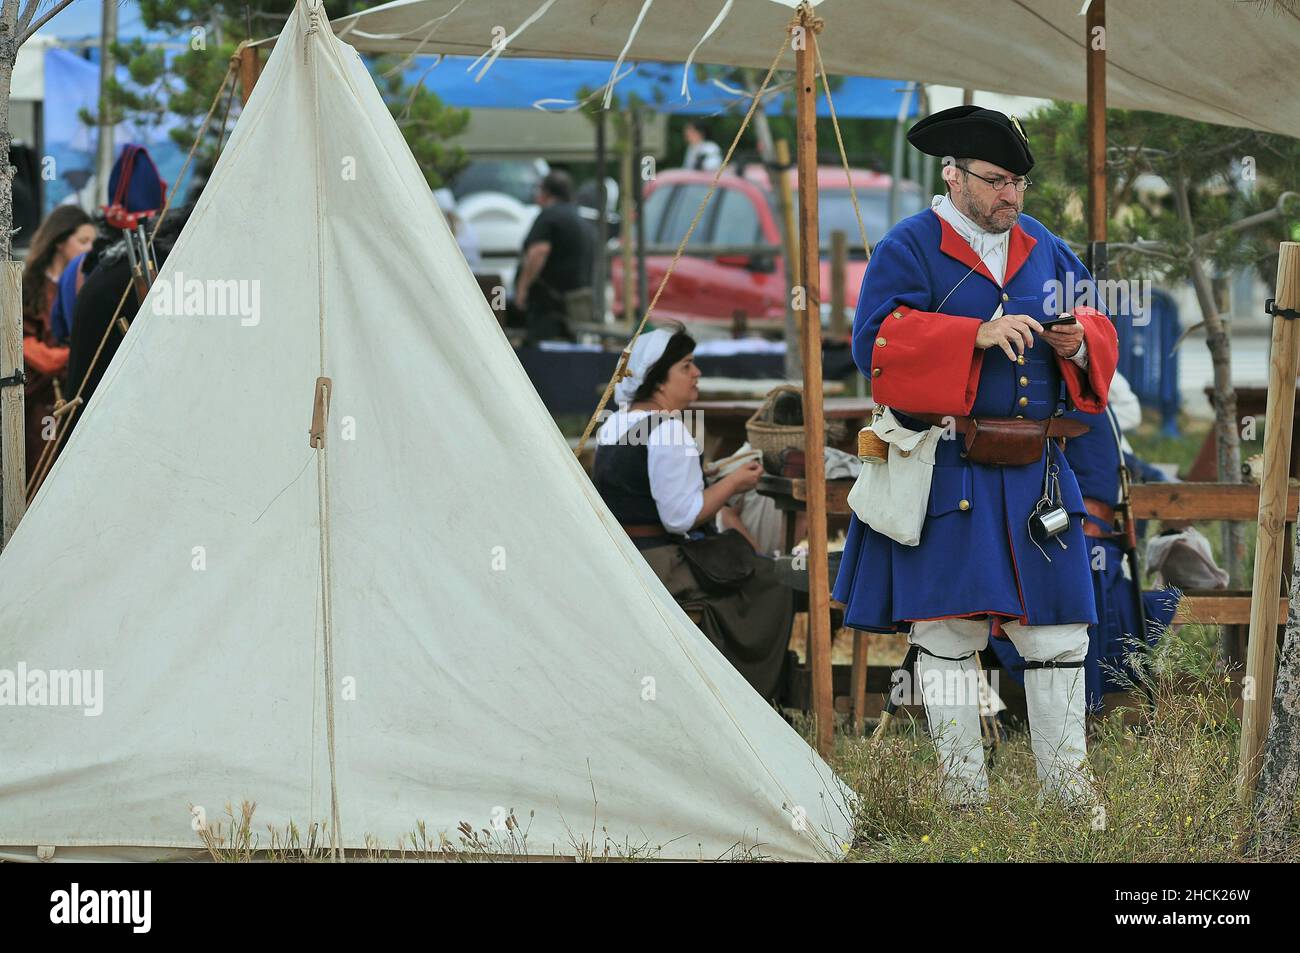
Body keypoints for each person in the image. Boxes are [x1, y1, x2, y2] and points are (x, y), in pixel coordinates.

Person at [833, 106, 1119, 806]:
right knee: (947, 629)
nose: (1011, 198)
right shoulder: (907, 247)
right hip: (948, 467)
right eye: (996, 182)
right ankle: (964, 801)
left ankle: (1068, 797)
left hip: (1038, 476)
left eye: (1019, 183)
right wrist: (974, 336)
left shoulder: (1043, 245)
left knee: (1057, 630)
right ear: (952, 174)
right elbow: (875, 346)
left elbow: (1098, 319)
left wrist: (1076, 340)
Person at [592, 326, 792, 698]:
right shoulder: (668, 431)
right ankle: (751, 699)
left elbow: (644, 489)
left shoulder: (616, 422)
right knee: (773, 581)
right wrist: (733, 484)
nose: (696, 372)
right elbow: (681, 517)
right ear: (659, 380)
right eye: (686, 366)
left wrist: (711, 474)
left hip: (624, 558)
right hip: (662, 565)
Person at [988, 370, 1180, 713]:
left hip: (1080, 546)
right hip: (1087, 544)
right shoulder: (1088, 399)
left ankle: (1065, 718)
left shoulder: (1066, 403)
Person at [20, 207, 95, 481]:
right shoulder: (30, 287)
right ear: (60, 241)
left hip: (72, 396)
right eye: (83, 241)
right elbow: (33, 352)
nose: (89, 249)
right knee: (41, 472)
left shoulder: (84, 285)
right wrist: (79, 353)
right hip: (41, 403)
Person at [515, 170, 593, 343]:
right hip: (574, 306)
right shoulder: (578, 217)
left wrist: (523, 287)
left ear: (546, 193)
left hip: (548, 307)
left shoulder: (549, 216)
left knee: (539, 354)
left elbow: (539, 251)